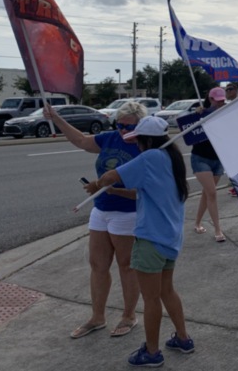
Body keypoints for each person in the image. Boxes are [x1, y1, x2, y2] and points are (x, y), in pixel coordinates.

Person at [84, 116, 194, 367]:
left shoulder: (150, 158)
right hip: (170, 239)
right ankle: (183, 339)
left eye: (138, 141)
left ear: (146, 140)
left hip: (150, 239)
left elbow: (111, 174)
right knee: (167, 291)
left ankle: (152, 352)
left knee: (151, 299)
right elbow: (140, 192)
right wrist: (113, 192)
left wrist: (98, 185)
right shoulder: (171, 159)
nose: (137, 146)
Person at [43, 100, 145, 339]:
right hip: (101, 210)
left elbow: (145, 190)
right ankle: (97, 317)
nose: (124, 131)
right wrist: (56, 118)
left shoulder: (145, 146)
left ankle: (129, 316)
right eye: (120, 125)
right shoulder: (110, 138)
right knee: (98, 265)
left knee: (126, 266)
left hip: (127, 212)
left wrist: (108, 188)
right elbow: (81, 141)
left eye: (130, 127)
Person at [192, 87, 227, 242]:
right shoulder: (201, 113)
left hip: (217, 159)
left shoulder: (226, 112)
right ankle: (218, 230)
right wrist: (196, 114)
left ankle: (197, 222)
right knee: (212, 193)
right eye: (216, 100)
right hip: (200, 157)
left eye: (222, 100)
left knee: (207, 193)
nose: (219, 103)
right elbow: (186, 127)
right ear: (210, 98)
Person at [225, 83, 238, 197]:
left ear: (235, 90)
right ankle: (236, 186)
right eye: (226, 90)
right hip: (232, 139)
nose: (227, 92)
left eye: (230, 89)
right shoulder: (229, 104)